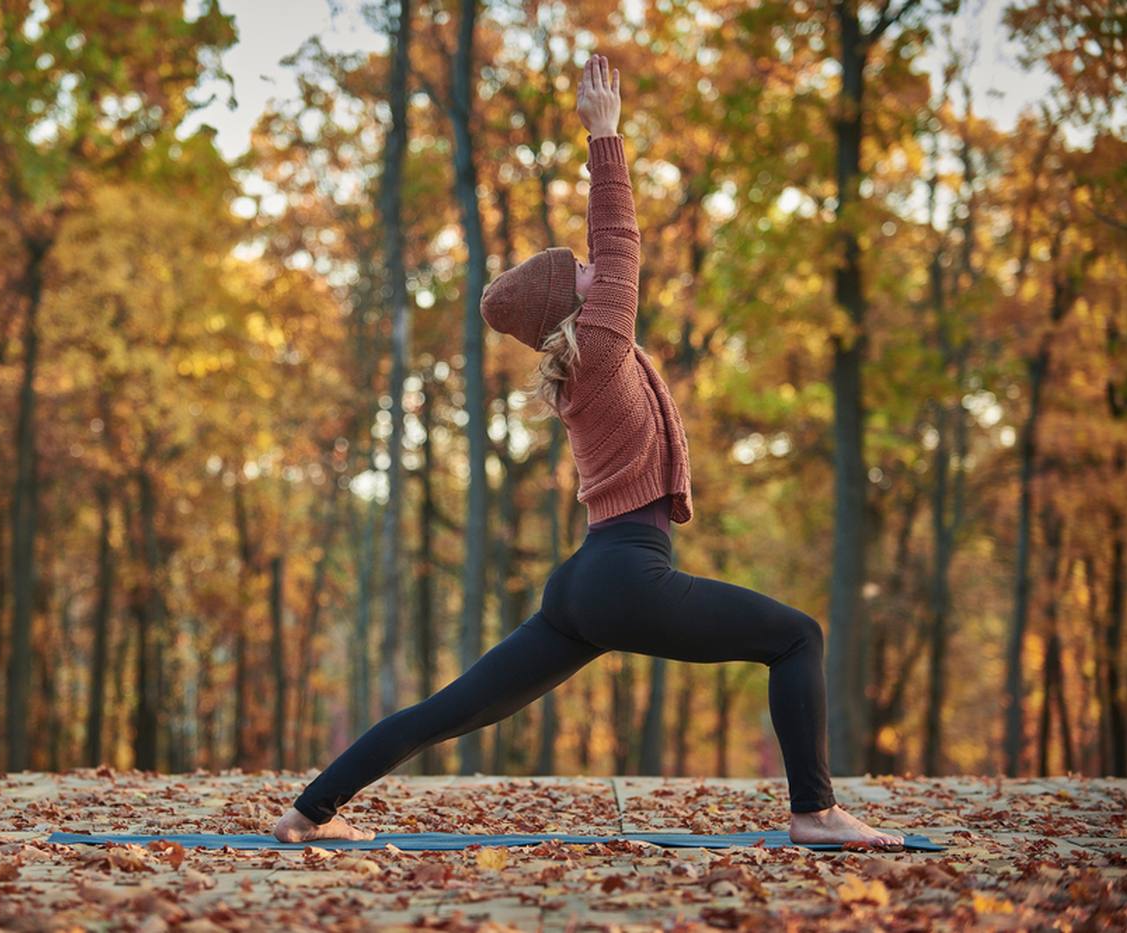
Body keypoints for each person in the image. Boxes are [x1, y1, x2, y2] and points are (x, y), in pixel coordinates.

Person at [273, 54, 904, 849]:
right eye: (581, 272)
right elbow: (621, 240)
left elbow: (609, 257)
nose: (593, 265)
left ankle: (306, 813)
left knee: (450, 710)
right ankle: (814, 812)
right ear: (575, 301)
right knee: (797, 635)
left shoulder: (589, 366)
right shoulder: (601, 350)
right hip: (621, 578)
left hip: (585, 583)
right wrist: (604, 138)